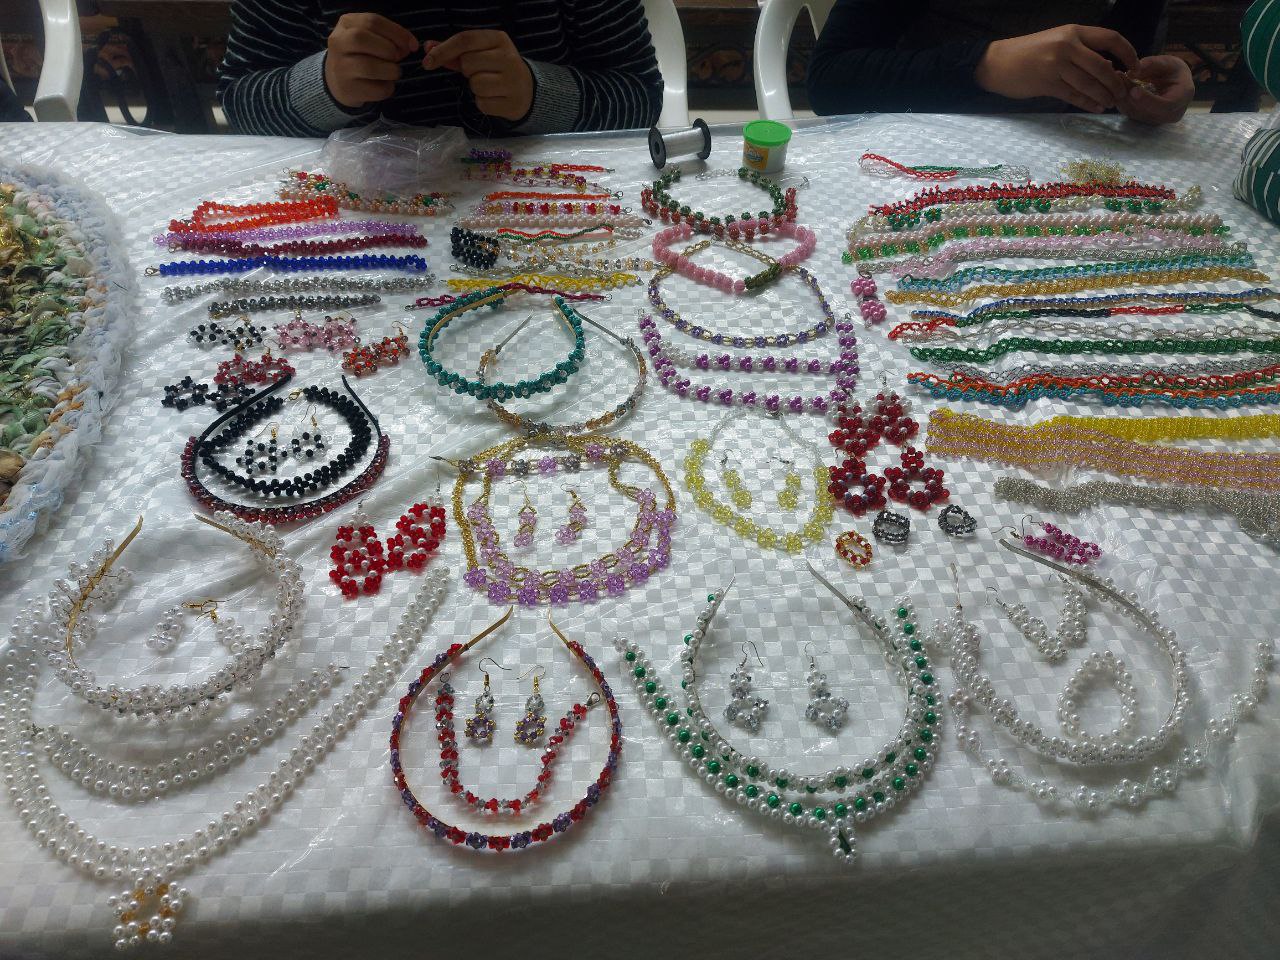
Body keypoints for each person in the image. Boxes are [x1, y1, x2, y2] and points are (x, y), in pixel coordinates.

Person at [217, 1, 663, 137]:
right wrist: (324, 86)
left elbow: (640, 95)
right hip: (351, 219)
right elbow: (239, 98)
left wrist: (537, 94)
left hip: (544, 202)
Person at [807, 0, 1195, 124]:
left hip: (1080, 171)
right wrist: (986, 65)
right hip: (924, 147)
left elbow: (1128, 64)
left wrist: (1147, 91)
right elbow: (830, 82)